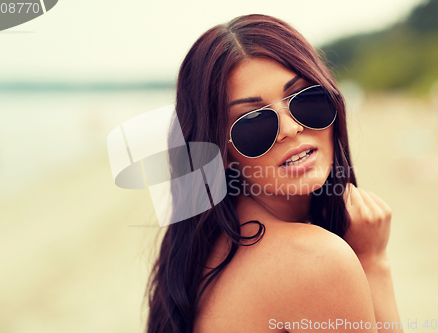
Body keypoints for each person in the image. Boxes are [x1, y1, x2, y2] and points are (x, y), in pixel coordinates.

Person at [145, 14, 402, 333]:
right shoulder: (316, 260)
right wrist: (374, 262)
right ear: (218, 153)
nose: (292, 129)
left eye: (305, 99)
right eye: (252, 122)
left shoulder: (203, 249)